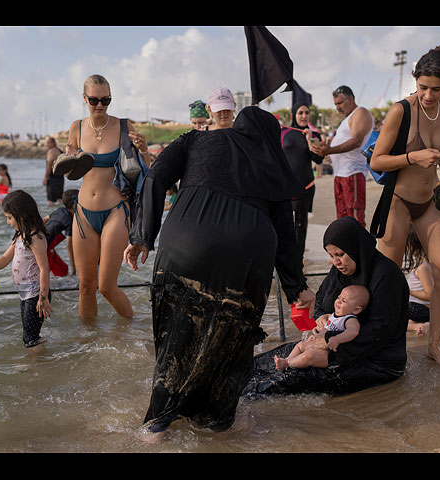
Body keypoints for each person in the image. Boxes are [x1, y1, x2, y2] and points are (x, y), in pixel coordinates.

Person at [124, 105, 315, 434]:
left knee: (175, 343)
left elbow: (154, 177)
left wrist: (143, 235)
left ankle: (157, 427)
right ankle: (215, 422)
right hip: (246, 259)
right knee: (230, 344)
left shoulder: (195, 140)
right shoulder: (274, 163)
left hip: (185, 246)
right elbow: (285, 235)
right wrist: (296, 288)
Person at [369, 40, 440, 367]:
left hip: (429, 202)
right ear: (416, 80)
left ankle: (434, 346)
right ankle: (379, 343)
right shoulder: (401, 110)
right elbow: (377, 162)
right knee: (388, 278)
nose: (428, 95)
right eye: (422, 87)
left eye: (436, 89)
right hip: (398, 201)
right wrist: (412, 156)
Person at [244, 216, 408, 398]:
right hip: (329, 345)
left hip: (376, 362)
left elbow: (379, 331)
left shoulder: (387, 275)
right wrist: (321, 318)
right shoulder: (340, 270)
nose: (336, 262)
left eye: (340, 255)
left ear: (355, 248)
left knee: (282, 381)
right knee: (259, 364)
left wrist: (328, 344)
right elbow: (321, 302)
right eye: (331, 256)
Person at [53, 74, 150, 320]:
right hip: (83, 212)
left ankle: (132, 329)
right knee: (85, 286)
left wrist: (144, 150)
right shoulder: (76, 128)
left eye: (105, 100)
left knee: (106, 286)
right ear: (84, 98)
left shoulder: (124, 126)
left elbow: (145, 171)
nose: (99, 106)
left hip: (115, 210)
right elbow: (72, 174)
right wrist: (69, 158)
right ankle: (89, 343)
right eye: (94, 100)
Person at [0, 190, 52, 349]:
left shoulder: (35, 237)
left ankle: (38, 367)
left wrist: (43, 298)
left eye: (9, 218)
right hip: (25, 293)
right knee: (29, 335)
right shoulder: (20, 235)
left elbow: (45, 269)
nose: (8, 222)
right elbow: (5, 258)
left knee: (30, 339)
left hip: (36, 294)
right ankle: (38, 363)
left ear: (21, 215)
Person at [310, 85, 373, 228]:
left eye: (340, 103)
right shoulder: (347, 119)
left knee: (355, 218)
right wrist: (329, 153)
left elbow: (356, 141)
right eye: (335, 104)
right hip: (340, 174)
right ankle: (347, 249)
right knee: (343, 219)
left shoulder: (360, 113)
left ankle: (358, 249)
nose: (337, 108)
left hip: (352, 173)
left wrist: (330, 151)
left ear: (351, 98)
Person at [274, 284, 369, 371]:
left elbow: (353, 332)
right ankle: (288, 359)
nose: (338, 301)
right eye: (338, 297)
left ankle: (287, 363)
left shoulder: (350, 319)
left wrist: (337, 339)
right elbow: (326, 325)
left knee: (309, 355)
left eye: (344, 301)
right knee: (301, 345)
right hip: (318, 346)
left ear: (356, 310)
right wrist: (316, 335)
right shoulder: (334, 315)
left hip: (328, 354)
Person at [281, 101, 324, 262]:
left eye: (306, 113)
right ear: (294, 115)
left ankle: (297, 261)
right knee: (285, 225)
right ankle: (286, 258)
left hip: (305, 186)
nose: (304, 116)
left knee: (301, 225)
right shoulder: (283, 132)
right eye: (300, 113)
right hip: (285, 188)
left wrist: (309, 141)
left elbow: (318, 160)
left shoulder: (315, 135)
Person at [403, 224, 432, 336]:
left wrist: (409, 291)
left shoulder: (423, 268)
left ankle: (421, 324)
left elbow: (430, 295)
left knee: (392, 313)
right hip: (419, 309)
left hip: (422, 309)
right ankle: (418, 325)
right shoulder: (422, 265)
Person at [43, 189, 77, 277]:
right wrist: (73, 267)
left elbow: (44, 219)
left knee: (63, 270)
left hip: (45, 244)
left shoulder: (60, 210)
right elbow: (69, 245)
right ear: (74, 206)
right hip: (43, 249)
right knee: (46, 272)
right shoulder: (70, 221)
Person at [43, 136, 64, 206]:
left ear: (53, 142)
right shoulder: (59, 151)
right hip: (60, 178)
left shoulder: (51, 151)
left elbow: (49, 164)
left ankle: (51, 215)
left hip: (52, 178)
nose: (47, 145)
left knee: (50, 201)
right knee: (59, 199)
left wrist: (45, 177)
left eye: (48, 143)